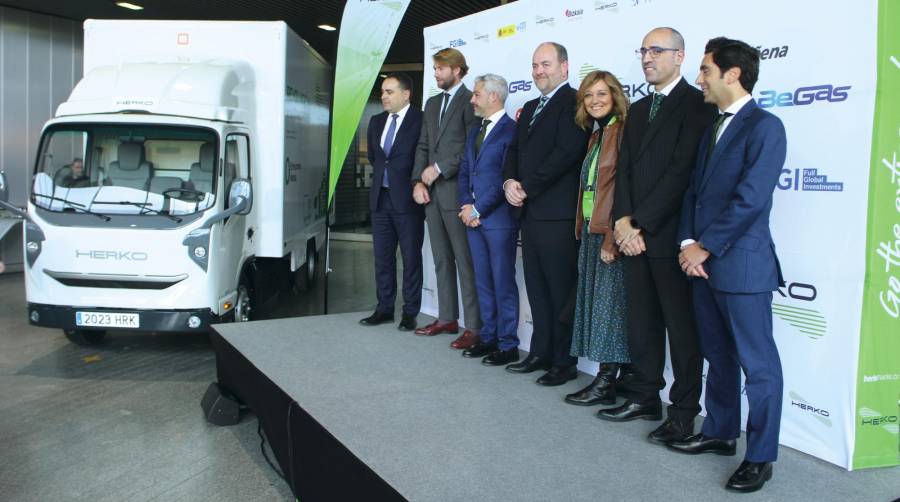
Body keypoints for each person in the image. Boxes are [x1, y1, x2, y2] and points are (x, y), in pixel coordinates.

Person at [667, 37, 786, 494]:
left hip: (742, 268)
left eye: (704, 70)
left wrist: (705, 248)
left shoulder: (766, 127)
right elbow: (694, 193)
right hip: (702, 266)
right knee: (718, 357)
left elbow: (751, 200)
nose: (699, 79)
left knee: (759, 368)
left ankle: (760, 457)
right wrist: (686, 242)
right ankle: (718, 432)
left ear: (731, 74)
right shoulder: (712, 127)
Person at [599, 27, 717, 447]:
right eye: (644, 50)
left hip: (670, 238)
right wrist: (624, 223)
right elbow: (625, 171)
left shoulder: (697, 105)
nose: (647, 57)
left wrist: (640, 223)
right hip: (634, 236)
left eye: (656, 50)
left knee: (682, 333)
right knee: (642, 324)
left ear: (680, 56)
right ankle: (644, 396)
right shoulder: (639, 108)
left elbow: (681, 173)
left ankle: (683, 413)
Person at [502, 42, 589, 386]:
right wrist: (509, 181)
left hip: (558, 216)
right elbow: (514, 151)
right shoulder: (530, 106)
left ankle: (563, 362)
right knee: (537, 290)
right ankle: (539, 352)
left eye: (546, 64)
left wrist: (526, 187)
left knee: (559, 290)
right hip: (531, 215)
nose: (539, 71)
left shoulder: (574, 103)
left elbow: (566, 153)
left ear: (565, 68)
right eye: (535, 65)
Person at [564, 71, 631, 406]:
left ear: (615, 95)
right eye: (588, 96)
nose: (594, 101)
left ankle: (606, 382)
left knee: (609, 309)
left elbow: (622, 189)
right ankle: (609, 379)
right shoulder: (596, 135)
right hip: (590, 231)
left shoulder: (621, 132)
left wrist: (612, 238)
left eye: (601, 94)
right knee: (598, 306)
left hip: (608, 234)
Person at [412, 48, 482, 350]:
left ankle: (474, 326)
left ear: (457, 70)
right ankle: (447, 318)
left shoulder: (471, 100)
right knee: (440, 259)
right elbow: (423, 144)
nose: (437, 74)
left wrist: (438, 169)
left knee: (465, 262)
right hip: (431, 195)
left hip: (456, 191)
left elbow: (471, 146)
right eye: (435, 68)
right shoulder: (431, 103)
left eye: (441, 69)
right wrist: (418, 181)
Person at [455, 74, 520, 366]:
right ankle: (489, 337)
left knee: (502, 282)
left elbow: (504, 178)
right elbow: (465, 171)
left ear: (494, 96)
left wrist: (478, 209)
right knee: (483, 281)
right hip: (474, 220)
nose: (472, 100)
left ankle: (508, 345)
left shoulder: (512, 131)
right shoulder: (474, 131)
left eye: (477, 94)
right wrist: (466, 205)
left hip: (498, 220)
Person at [360, 73, 425, 332]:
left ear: (406, 94)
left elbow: (423, 154)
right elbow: (376, 157)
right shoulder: (376, 121)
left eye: (389, 92)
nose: (383, 96)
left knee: (411, 259)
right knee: (382, 258)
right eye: (383, 92)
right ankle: (384, 308)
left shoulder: (420, 120)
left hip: (408, 201)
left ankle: (410, 312)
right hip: (380, 199)